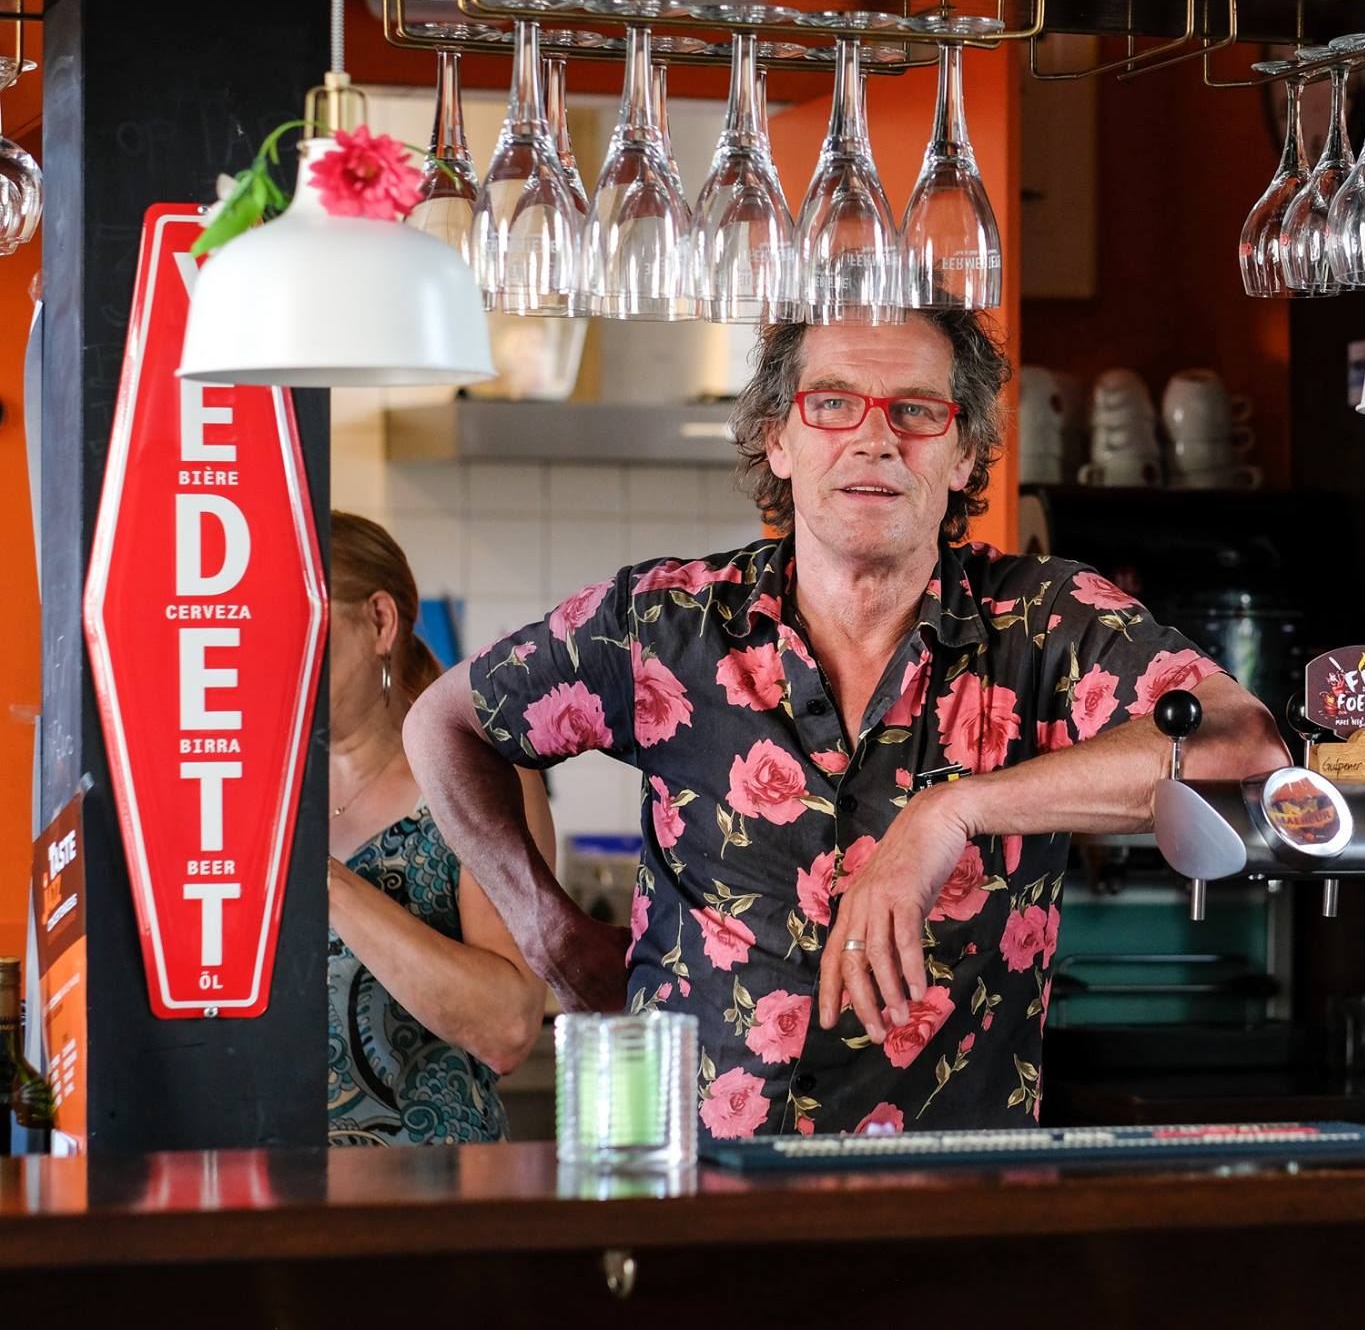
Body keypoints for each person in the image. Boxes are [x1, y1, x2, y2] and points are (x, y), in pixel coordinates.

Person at [403, 316, 1289, 1137]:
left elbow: (1239, 744)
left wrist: (951, 812)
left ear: (964, 452)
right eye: (831, 404)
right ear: (777, 439)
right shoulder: (661, 623)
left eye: (917, 410)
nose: (874, 438)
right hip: (688, 1186)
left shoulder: (1045, 621)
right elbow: (443, 724)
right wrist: (546, 929)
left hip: (947, 1195)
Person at [327, 512, 551, 1145]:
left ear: (379, 621)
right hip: (269, 1187)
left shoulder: (476, 778)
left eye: (295, 622)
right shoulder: (244, 791)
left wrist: (330, 887)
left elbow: (509, 1027)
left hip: (429, 1183)